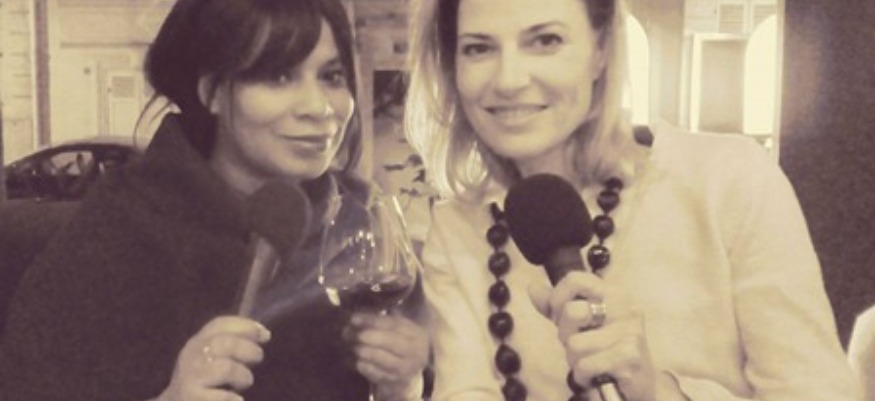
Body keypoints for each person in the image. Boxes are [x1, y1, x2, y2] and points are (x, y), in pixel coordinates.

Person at [404, 0, 858, 400]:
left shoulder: (728, 180)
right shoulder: (457, 227)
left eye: (545, 41)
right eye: (478, 48)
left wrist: (656, 391)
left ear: (601, 49)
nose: (509, 79)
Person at [0, 1, 428, 401]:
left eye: (332, 77)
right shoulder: (117, 233)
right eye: (279, 77)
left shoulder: (360, 222)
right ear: (213, 92)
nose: (319, 108)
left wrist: (406, 386)